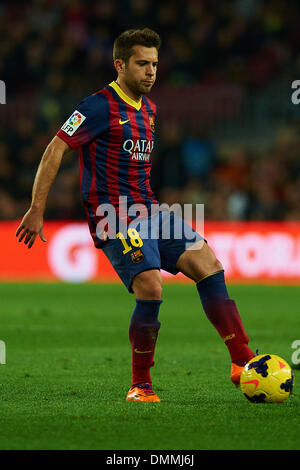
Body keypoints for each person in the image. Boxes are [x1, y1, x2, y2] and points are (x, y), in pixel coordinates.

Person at [16, 27, 255, 402]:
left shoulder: (151, 110)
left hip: (150, 209)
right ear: (120, 65)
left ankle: (243, 362)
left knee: (208, 262)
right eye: (142, 63)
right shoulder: (96, 106)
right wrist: (36, 208)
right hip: (112, 214)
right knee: (150, 285)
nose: (150, 72)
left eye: (155, 64)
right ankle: (140, 385)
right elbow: (54, 151)